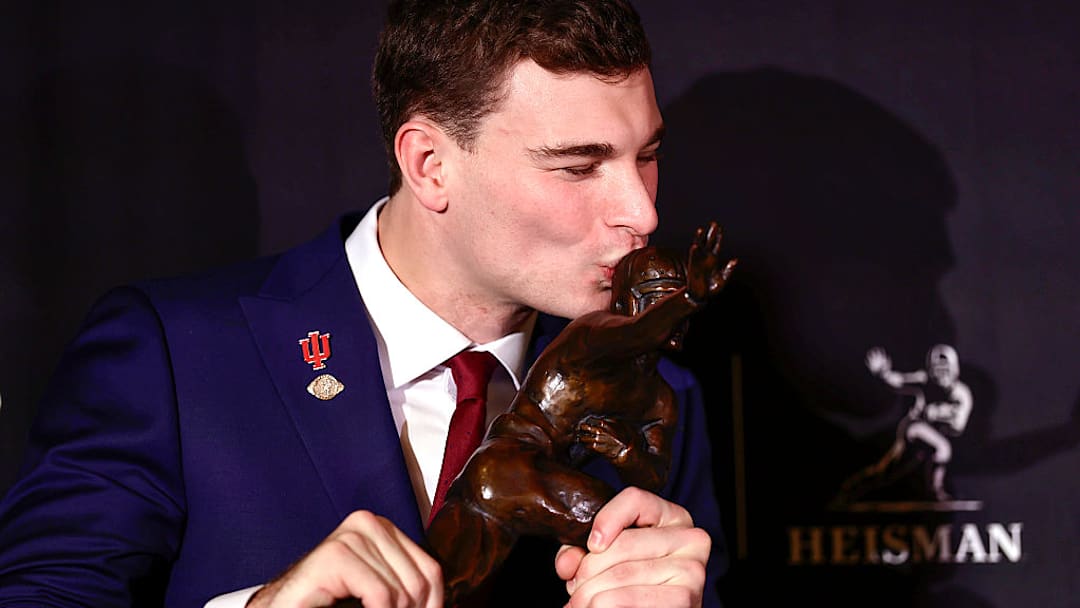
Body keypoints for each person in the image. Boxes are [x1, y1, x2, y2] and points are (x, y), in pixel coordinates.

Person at [0, 1, 726, 607]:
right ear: (430, 165)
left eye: (647, 155)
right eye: (579, 166)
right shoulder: (174, 353)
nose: (641, 212)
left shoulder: (660, 398)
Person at [428, 229, 735, 604]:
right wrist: (688, 299)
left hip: (510, 487)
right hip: (508, 469)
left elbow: (652, 475)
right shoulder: (591, 335)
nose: (668, 311)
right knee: (626, 532)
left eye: (674, 296)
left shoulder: (662, 396)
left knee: (440, 583)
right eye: (655, 298)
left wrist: (625, 452)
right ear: (622, 302)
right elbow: (637, 333)